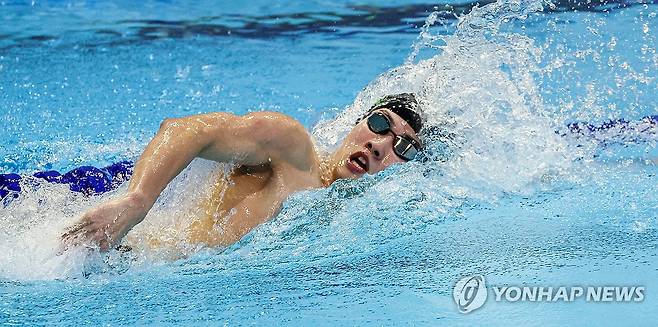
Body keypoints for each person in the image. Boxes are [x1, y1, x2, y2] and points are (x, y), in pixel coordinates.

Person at [61, 93, 426, 252]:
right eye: (380, 124)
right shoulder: (292, 147)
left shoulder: (353, 220)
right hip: (110, 245)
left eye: (403, 147)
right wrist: (136, 202)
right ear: (359, 121)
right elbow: (186, 129)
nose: (381, 144)